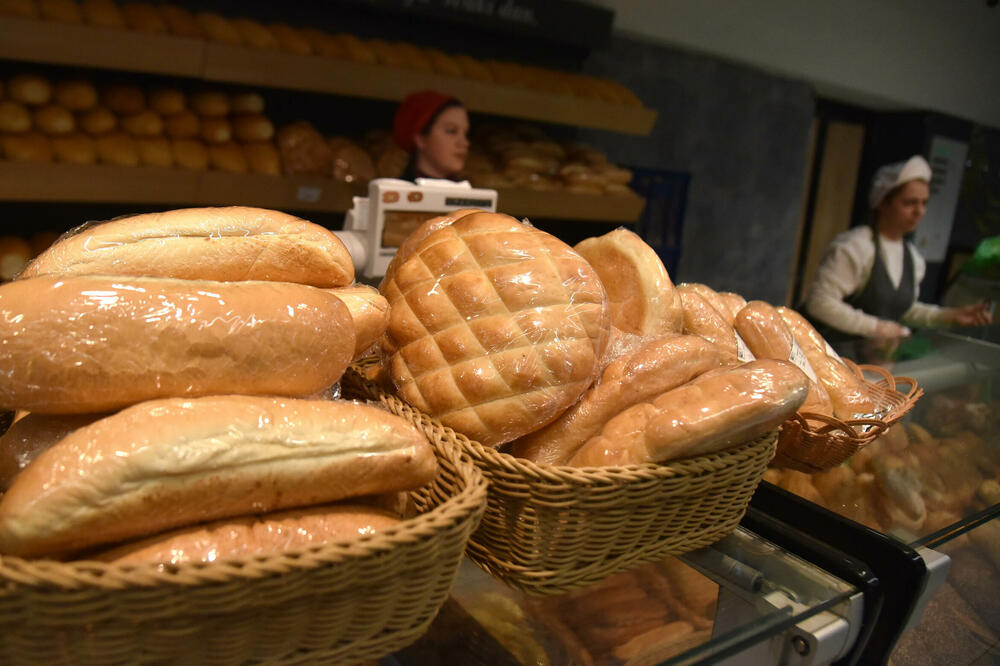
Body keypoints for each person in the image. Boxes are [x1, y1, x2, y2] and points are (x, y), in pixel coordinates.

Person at [805, 154, 992, 341]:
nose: (919, 211)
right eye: (909, 203)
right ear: (882, 202)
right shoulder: (856, 247)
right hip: (822, 348)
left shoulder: (913, 257)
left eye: (924, 203)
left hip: (863, 355)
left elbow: (901, 308)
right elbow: (820, 301)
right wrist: (877, 327)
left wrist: (949, 316)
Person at [392, 90, 469, 181]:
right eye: (451, 131)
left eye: (465, 133)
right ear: (420, 139)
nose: (464, 143)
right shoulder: (396, 189)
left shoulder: (466, 189)